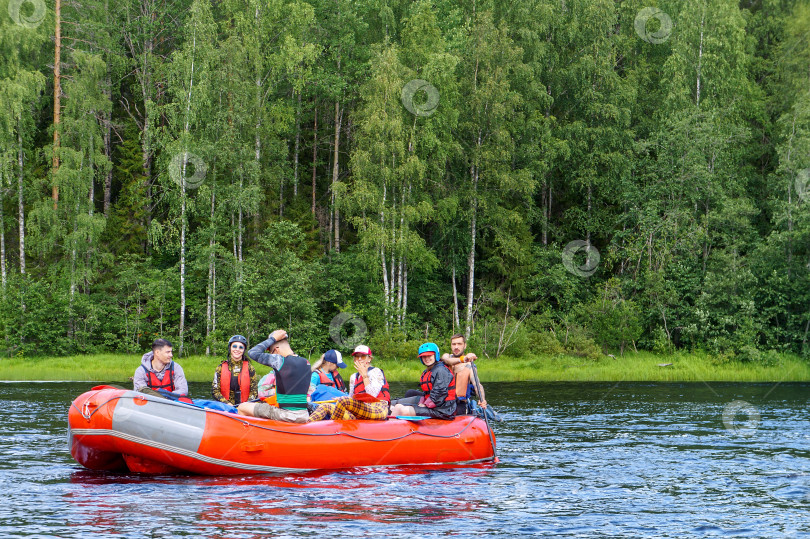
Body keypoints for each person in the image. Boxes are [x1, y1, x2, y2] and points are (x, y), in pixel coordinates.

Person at [237, 330, 311, 423]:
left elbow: (253, 353)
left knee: (242, 407)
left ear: (276, 349)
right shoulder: (306, 362)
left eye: (271, 352)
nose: (272, 355)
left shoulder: (280, 360)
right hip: (303, 415)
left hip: (287, 415)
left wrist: (273, 339)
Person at [308, 345, 390, 422]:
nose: (360, 359)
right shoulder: (353, 377)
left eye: (363, 356)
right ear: (354, 359)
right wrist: (340, 399)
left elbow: (372, 395)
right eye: (357, 356)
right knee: (326, 406)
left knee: (343, 401)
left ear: (369, 359)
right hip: (360, 411)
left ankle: (332, 430)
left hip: (378, 408)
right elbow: (351, 397)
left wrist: (365, 376)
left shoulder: (376, 372)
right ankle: (304, 427)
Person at [390, 342, 456, 420]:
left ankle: (389, 429)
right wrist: (422, 402)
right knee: (394, 407)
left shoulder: (441, 370)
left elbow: (439, 393)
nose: (427, 358)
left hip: (444, 411)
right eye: (424, 356)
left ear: (436, 355)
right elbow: (427, 392)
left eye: (429, 355)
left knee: (400, 409)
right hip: (435, 408)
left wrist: (425, 405)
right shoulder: (429, 371)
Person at [441, 333, 487, 414]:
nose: (456, 347)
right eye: (453, 344)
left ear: (464, 345)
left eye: (459, 344)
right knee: (411, 393)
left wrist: (482, 399)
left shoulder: (470, 366)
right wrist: (464, 359)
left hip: (459, 404)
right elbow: (447, 361)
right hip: (442, 402)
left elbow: (477, 385)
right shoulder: (446, 357)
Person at [212, 335, 258, 405]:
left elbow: (254, 392)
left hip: (245, 407)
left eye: (241, 347)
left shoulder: (250, 368)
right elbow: (215, 391)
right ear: (230, 348)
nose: (237, 349)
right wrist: (227, 404)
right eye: (234, 346)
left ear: (243, 350)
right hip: (225, 407)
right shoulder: (220, 368)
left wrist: (246, 405)